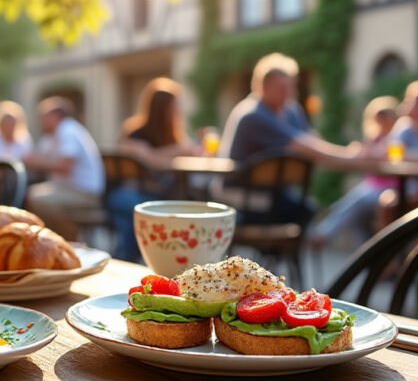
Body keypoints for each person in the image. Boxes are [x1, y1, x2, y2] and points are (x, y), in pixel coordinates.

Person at [218, 52, 357, 224]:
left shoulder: (291, 110)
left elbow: (312, 141)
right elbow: (305, 146)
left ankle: (276, 250)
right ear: (263, 87)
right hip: (243, 192)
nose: (288, 93)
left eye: (290, 87)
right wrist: (350, 155)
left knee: (305, 209)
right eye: (281, 88)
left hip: (276, 191)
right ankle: (273, 249)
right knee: (302, 211)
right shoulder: (252, 115)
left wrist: (355, 155)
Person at [107, 78, 200, 261]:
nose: (179, 110)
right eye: (175, 106)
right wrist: (179, 150)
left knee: (138, 216)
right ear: (162, 108)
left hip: (160, 197)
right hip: (127, 194)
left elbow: (189, 156)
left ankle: (125, 260)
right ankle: (130, 258)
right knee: (140, 212)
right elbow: (150, 159)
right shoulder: (134, 132)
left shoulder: (174, 136)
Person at [309, 96, 399, 248]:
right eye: (379, 118)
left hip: (388, 189)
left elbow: (391, 158)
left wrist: (367, 153)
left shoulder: (397, 137)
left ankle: (323, 234)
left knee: (357, 203)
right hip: (372, 187)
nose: (382, 122)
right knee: (354, 209)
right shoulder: (374, 138)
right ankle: (367, 255)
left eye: (385, 117)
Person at [24, 97, 105, 241]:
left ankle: (69, 240)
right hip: (67, 188)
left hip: (85, 193)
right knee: (32, 194)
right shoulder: (53, 135)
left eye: (44, 117)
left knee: (38, 199)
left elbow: (65, 166)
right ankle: (50, 240)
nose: (41, 121)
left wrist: (37, 163)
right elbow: (35, 155)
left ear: (55, 117)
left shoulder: (68, 129)